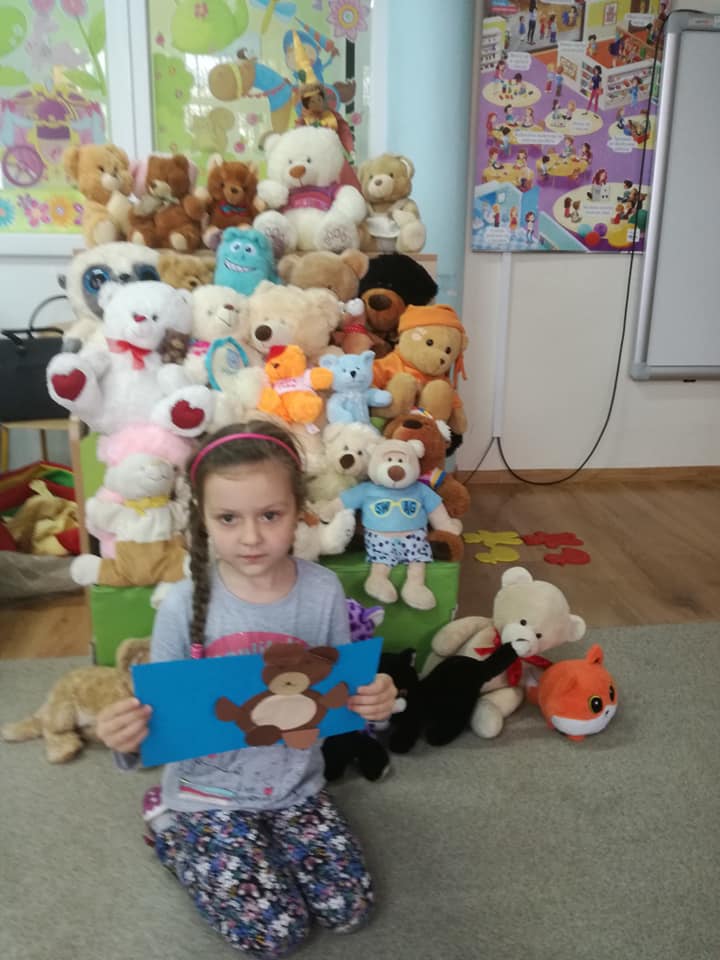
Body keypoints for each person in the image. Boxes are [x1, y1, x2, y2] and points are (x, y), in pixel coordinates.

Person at [97, 420, 397, 958]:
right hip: (206, 796)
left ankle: (255, 840)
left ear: (299, 510)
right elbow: (158, 720)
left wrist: (375, 703)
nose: (252, 537)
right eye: (229, 518)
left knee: (349, 909)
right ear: (203, 519)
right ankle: (170, 832)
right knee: (275, 934)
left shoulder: (323, 591)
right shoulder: (181, 605)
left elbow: (342, 698)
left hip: (296, 786)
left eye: (270, 515)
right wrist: (127, 738)